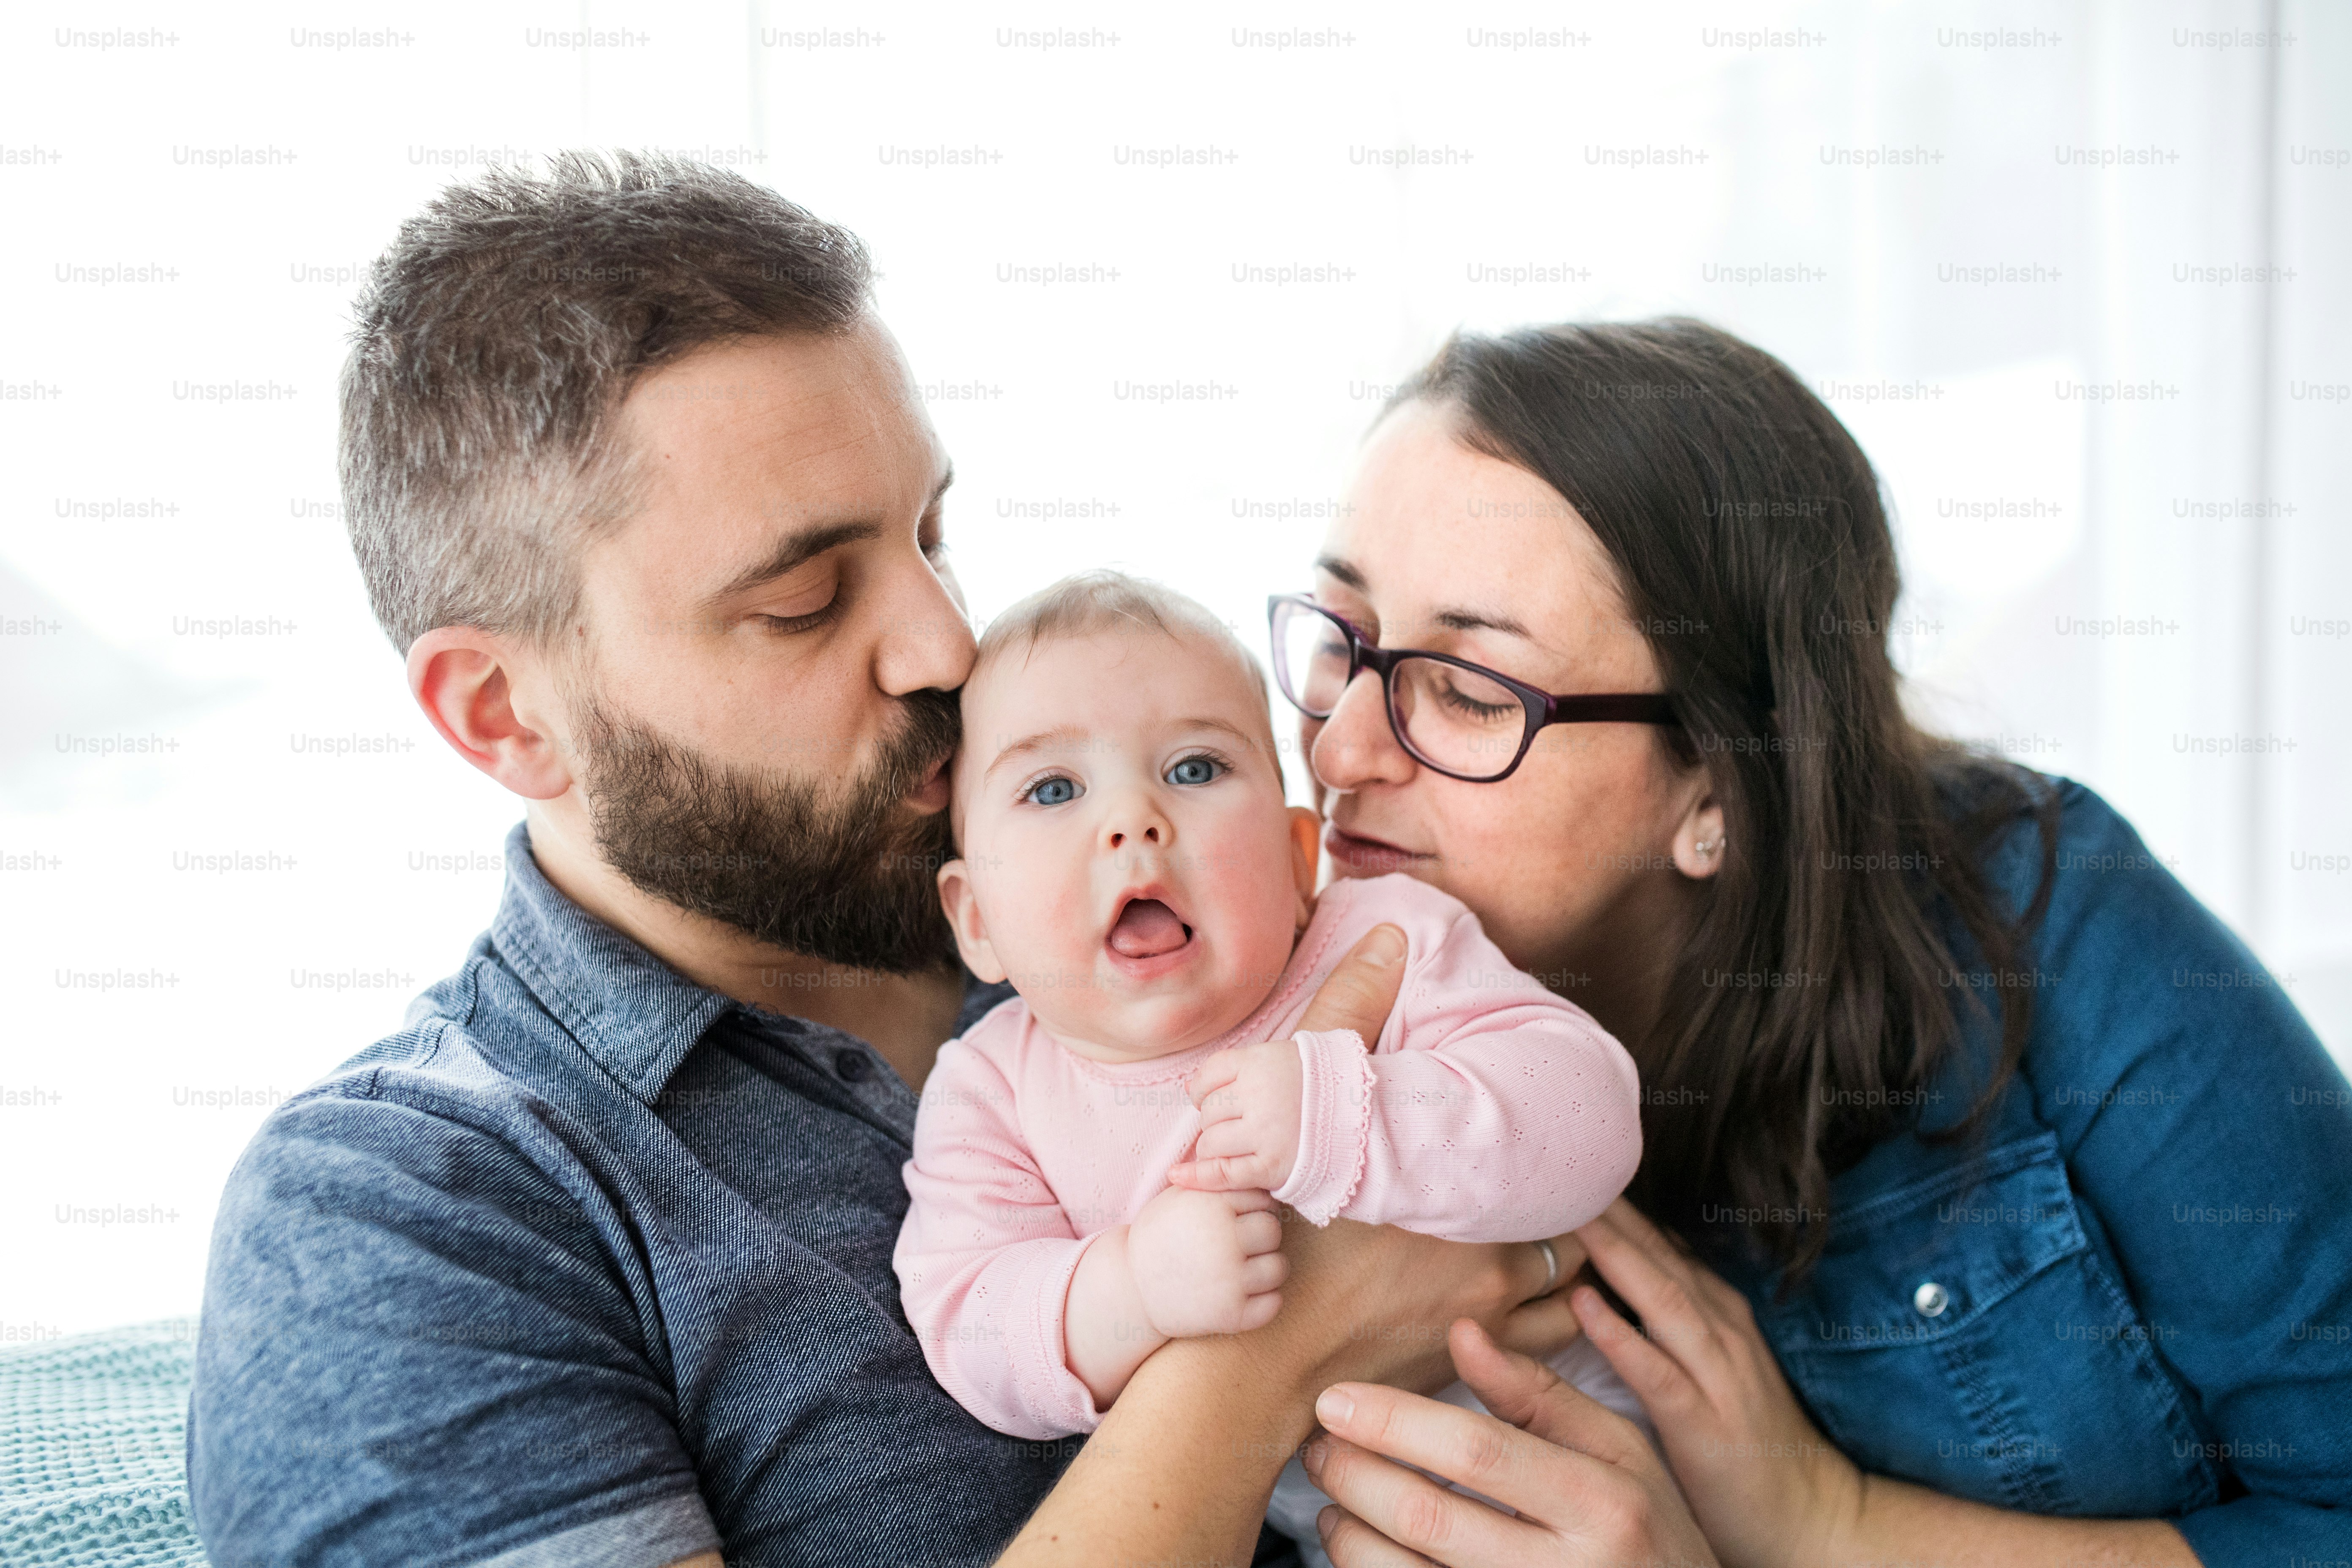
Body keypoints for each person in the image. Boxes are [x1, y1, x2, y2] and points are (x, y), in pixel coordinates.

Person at [186, 153, 1580, 1568]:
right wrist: (1260, 1358)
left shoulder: (1202, 905)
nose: (943, 647)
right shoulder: (406, 1210)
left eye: (931, 536)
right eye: (801, 601)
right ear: (504, 712)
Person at [1242, 318, 2352, 1566]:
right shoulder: (1250, 1019)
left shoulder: (2048, 918)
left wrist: (1834, 1529)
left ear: (1719, 789)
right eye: (1341, 639)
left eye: (1467, 690)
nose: (1337, 751)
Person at [893, 572, 1652, 1556]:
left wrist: (1350, 1115)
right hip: (1341, 1530)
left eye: (1197, 768)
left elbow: (1592, 1118)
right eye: (1052, 789)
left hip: (1586, 1467)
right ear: (976, 920)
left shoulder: (1385, 939)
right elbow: (965, 1316)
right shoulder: (991, 1086)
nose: (1133, 820)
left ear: (1302, 861)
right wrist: (1126, 1287)